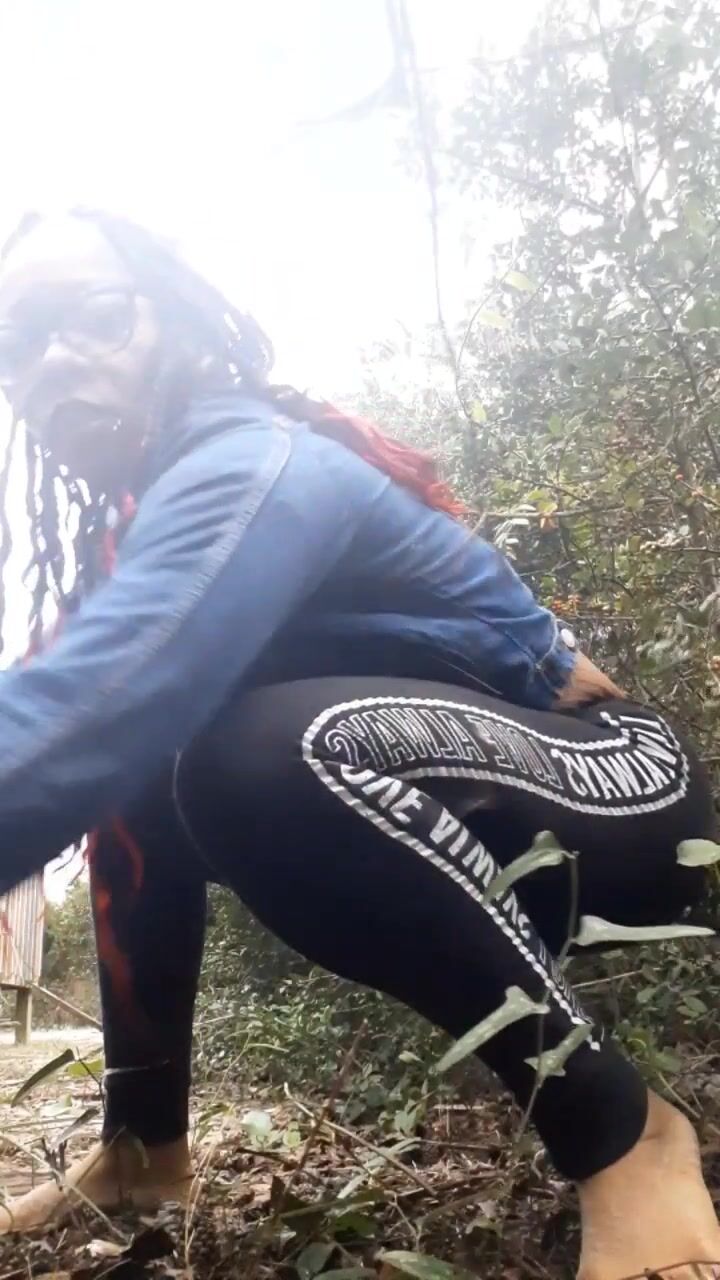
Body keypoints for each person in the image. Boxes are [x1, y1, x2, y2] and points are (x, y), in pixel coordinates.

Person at [0, 209, 717, 1280]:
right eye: (22, 340)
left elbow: (88, 708)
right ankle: (143, 1147)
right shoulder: (151, 522)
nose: (57, 356)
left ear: (175, 326)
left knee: (246, 755)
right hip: (446, 798)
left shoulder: (255, 462)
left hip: (619, 784)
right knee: (142, 788)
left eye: (97, 316)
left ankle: (629, 1141)